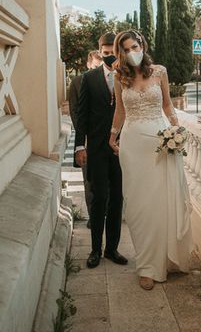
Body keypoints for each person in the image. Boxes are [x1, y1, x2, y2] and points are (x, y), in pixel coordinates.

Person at [108, 30, 192, 290]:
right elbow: (120, 111)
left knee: (161, 203)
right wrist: (112, 136)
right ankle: (146, 266)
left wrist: (177, 128)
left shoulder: (160, 72)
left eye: (135, 46)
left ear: (143, 45)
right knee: (138, 207)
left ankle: (164, 260)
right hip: (133, 146)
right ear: (120, 53)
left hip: (160, 143)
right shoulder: (119, 76)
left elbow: (167, 105)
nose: (132, 52)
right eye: (126, 49)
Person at [74, 32, 128, 269]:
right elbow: (81, 115)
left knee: (117, 200)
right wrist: (79, 146)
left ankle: (112, 249)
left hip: (121, 150)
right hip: (96, 150)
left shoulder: (128, 77)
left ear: (118, 53)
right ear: (99, 52)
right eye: (105, 53)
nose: (108, 57)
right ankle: (95, 249)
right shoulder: (89, 78)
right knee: (99, 200)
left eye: (112, 53)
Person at [67, 50, 103, 228]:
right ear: (88, 65)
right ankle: (93, 217)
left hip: (104, 139)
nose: (98, 69)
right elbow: (74, 111)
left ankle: (105, 214)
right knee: (89, 181)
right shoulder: (77, 82)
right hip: (86, 140)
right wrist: (84, 136)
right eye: (95, 66)